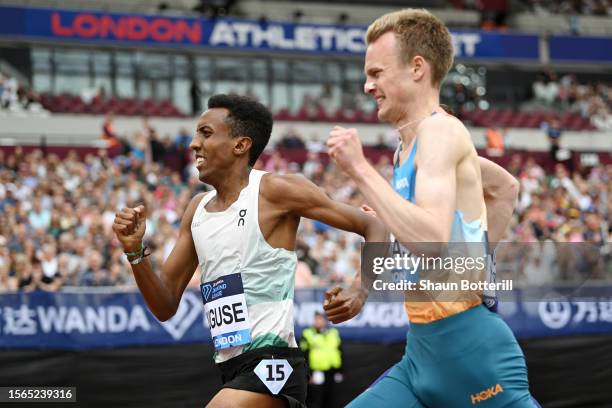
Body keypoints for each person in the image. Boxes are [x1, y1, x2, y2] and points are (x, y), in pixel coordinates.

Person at [112, 94, 387, 408]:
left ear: (240, 145)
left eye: (205, 133)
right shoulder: (196, 209)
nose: (193, 144)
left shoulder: (275, 191)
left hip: (274, 363)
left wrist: (360, 291)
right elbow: (164, 305)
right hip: (230, 368)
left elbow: (374, 227)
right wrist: (135, 252)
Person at [324, 9, 540, 408]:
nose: (367, 85)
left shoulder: (440, 131)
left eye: (376, 73)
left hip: (471, 354)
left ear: (417, 68)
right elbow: (505, 188)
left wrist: (358, 169)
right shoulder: (407, 147)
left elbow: (431, 241)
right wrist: (362, 286)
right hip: (422, 354)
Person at [299, 311, 343, 408]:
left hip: (331, 371)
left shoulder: (334, 333)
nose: (318, 321)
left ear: (325, 321)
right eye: (316, 319)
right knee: (315, 398)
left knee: (330, 398)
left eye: (320, 319)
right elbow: (303, 355)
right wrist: (308, 373)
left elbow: (340, 352)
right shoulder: (307, 334)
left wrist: (339, 371)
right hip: (316, 372)